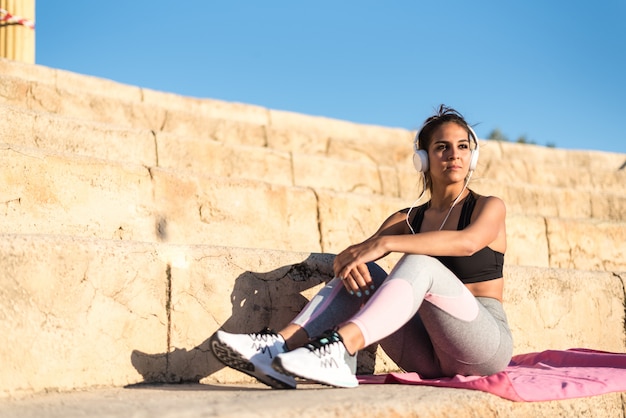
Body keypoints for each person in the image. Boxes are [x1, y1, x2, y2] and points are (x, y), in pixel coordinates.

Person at [210, 104, 514, 389]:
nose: (454, 154)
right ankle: (277, 347)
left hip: (484, 349)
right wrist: (354, 259)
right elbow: (352, 260)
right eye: (441, 147)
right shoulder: (407, 219)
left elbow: (469, 243)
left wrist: (385, 242)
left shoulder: (487, 207)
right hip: (425, 354)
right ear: (422, 157)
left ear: (472, 156)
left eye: (463, 146)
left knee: (420, 262)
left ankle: (341, 350)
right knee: (364, 270)